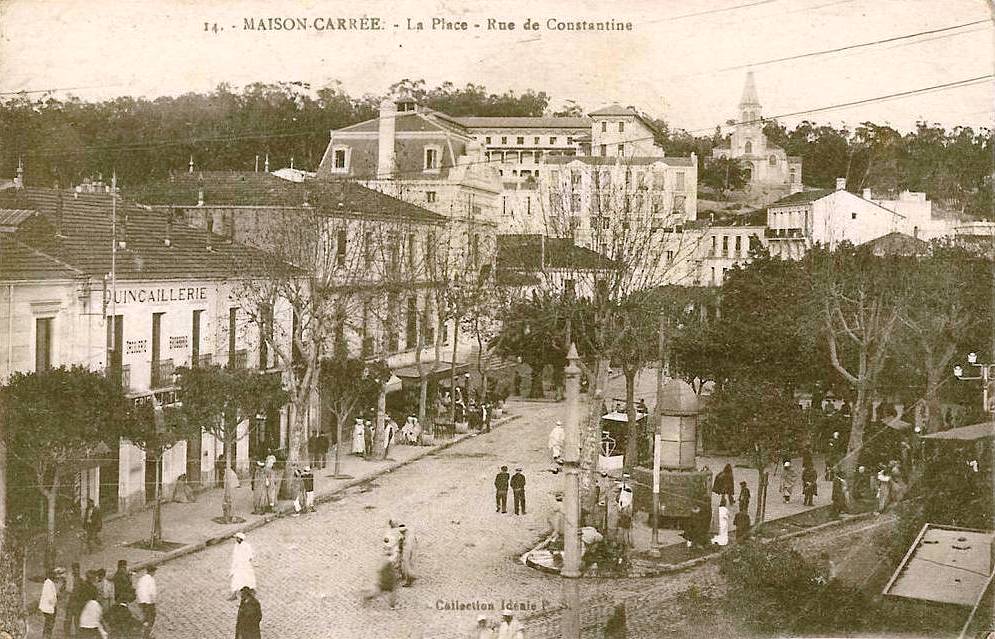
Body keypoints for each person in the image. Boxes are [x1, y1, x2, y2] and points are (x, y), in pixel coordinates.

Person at [229, 533, 257, 601]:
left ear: (241, 539)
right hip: (237, 565)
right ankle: (234, 594)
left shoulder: (246, 546)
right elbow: (234, 556)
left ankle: (251, 591)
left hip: (245, 565)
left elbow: (250, 555)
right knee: (235, 579)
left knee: (248, 578)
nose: (236, 539)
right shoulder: (236, 546)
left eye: (237, 538)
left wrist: (245, 562)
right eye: (236, 538)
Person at [135, 565, 157, 638]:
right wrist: (153, 602)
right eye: (154, 572)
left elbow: (138, 589)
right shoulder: (151, 579)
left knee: (145, 617)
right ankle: (146, 635)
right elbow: (152, 592)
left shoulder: (142, 579)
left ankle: (141, 631)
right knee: (151, 619)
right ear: (152, 572)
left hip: (141, 601)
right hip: (149, 602)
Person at [39, 568, 59, 639]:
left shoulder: (49, 582)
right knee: (49, 624)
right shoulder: (49, 583)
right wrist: (54, 603)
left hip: (48, 607)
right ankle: (46, 637)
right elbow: (51, 598)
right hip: (49, 608)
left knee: (48, 624)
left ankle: (46, 636)